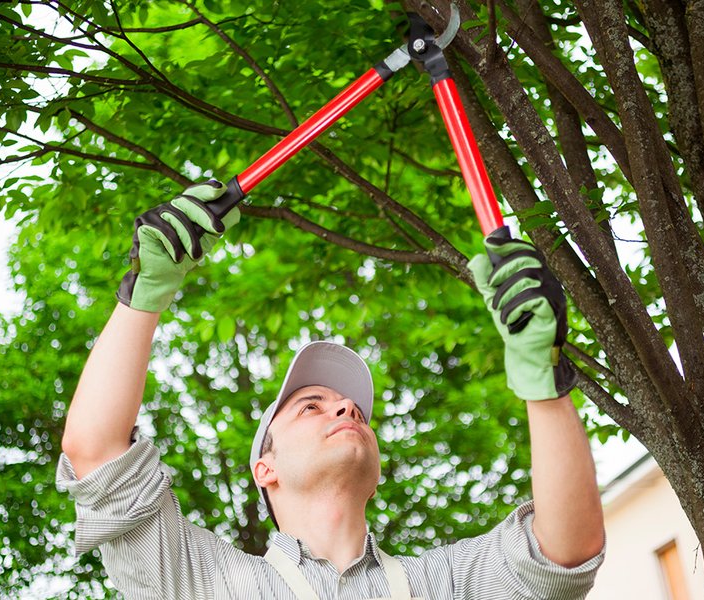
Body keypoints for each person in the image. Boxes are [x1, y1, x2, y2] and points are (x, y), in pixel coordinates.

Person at [57, 180, 605, 599]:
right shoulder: (205, 580)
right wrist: (144, 295)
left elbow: (564, 554)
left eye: (354, 411)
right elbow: (97, 454)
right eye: (309, 406)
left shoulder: (443, 584)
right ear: (264, 469)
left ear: (377, 474)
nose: (345, 406)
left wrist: (544, 383)